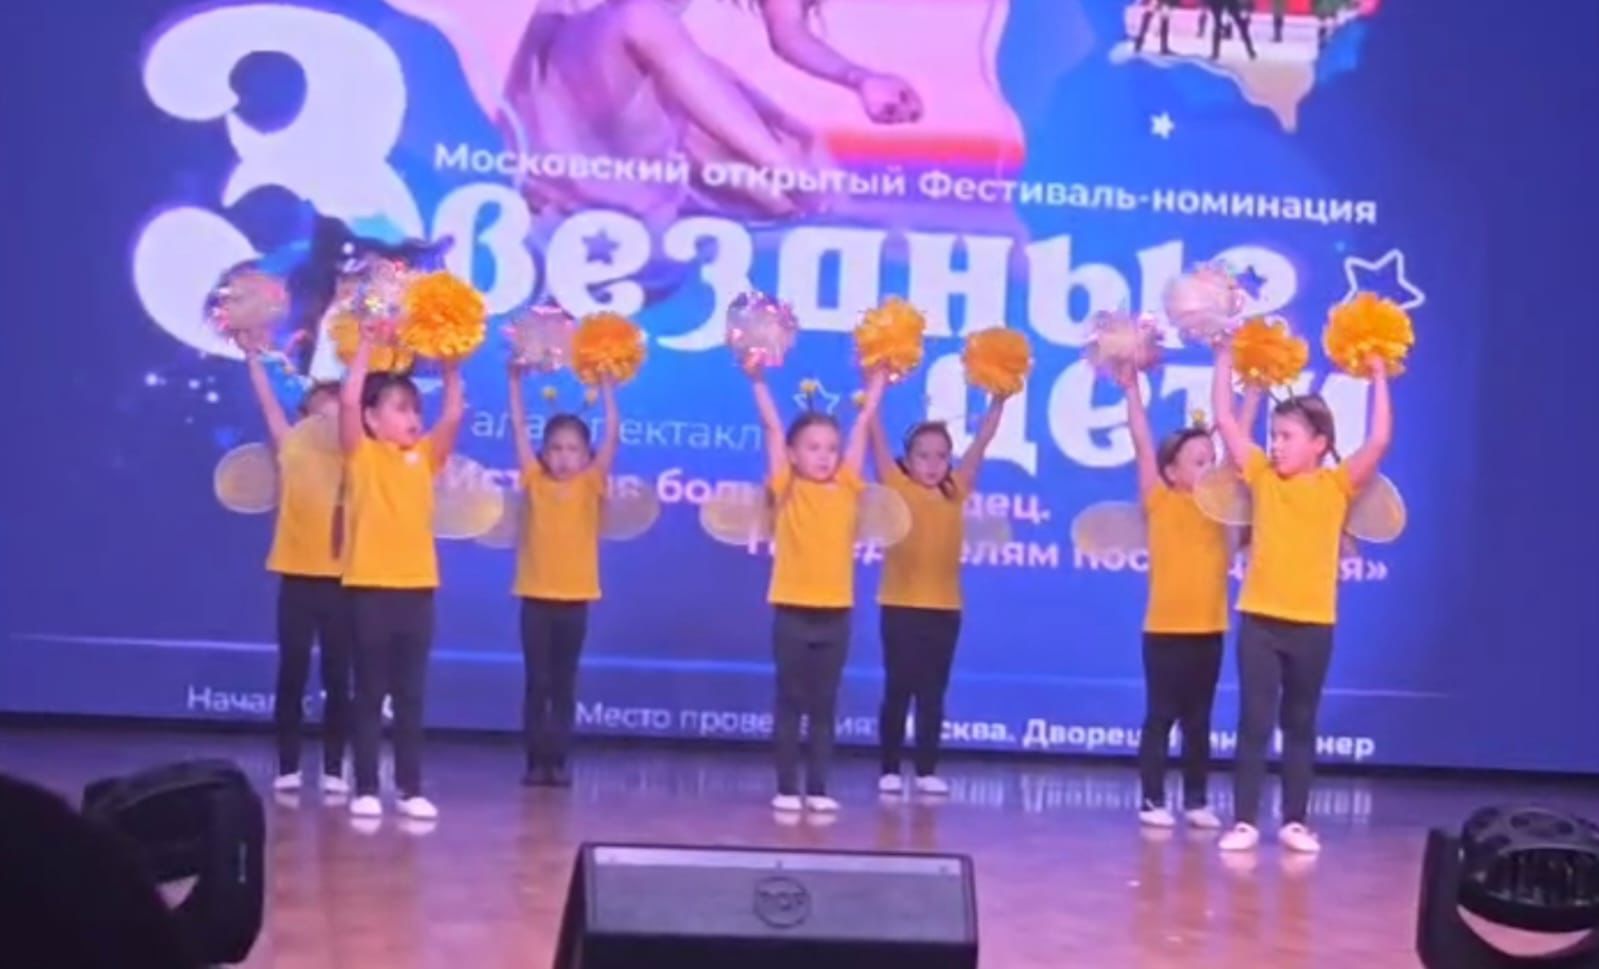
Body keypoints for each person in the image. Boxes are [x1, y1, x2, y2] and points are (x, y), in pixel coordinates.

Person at [1209, 344, 1393, 854]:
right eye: (1273, 436)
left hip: (1313, 624)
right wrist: (1224, 356)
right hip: (1260, 622)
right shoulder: (1262, 477)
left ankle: (1295, 822)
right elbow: (1224, 417)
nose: (1275, 445)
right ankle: (1244, 822)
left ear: (1319, 443)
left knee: (1300, 722)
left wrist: (1379, 373)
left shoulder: (1337, 485)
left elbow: (1379, 439)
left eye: (1286, 436)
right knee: (1254, 722)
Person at [1114, 367, 1259, 829]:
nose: (1208, 468)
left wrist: (1254, 392)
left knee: (1199, 720)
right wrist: (1131, 389)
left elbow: (1239, 441)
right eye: (1197, 462)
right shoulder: (1159, 500)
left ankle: (1196, 801)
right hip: (1164, 631)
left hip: (1209, 629)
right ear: (1171, 471)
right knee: (1161, 716)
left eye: (1210, 460)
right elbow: (1141, 441)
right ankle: (1153, 800)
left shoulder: (1222, 510)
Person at [338, 327, 465, 821]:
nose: (413, 418)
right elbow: (348, 401)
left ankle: (411, 789)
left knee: (411, 694)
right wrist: (368, 345)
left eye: (416, 409)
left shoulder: (424, 457)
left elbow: (452, 415)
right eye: (400, 408)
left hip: (417, 590)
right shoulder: (362, 454)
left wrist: (450, 367)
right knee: (370, 692)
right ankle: (366, 787)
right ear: (372, 419)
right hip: (369, 590)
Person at [749, 366, 888, 812]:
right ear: (792, 455)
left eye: (831, 448)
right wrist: (758, 381)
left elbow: (862, 425)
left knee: (825, 704)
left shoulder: (846, 486)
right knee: (791, 699)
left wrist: (877, 382)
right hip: (792, 610)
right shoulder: (786, 487)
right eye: (813, 448)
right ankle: (787, 788)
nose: (825, 457)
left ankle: (820, 788)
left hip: (835, 613)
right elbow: (773, 428)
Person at [868, 396, 1007, 796]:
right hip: (899, 607)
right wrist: (874, 387)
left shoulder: (956, 491)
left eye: (941, 456)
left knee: (932, 693)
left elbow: (983, 440)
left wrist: (999, 400)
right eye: (923, 456)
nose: (932, 464)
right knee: (898, 689)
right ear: (907, 459)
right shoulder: (895, 486)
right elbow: (874, 432)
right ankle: (890, 768)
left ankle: (926, 769)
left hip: (944, 610)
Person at [241, 339, 353, 797]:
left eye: (336, 410)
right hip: (296, 579)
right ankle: (287, 765)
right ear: (305, 416)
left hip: (342, 581)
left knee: (337, 678)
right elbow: (268, 401)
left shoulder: (355, 457)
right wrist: (252, 358)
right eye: (318, 410)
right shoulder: (291, 446)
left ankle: (334, 767)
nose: (327, 417)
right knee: (292, 672)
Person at [507, 369, 621, 787]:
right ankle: (535, 762)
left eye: (573, 449)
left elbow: (613, 433)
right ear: (543, 452)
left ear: (587, 455)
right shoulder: (533, 479)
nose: (563, 457)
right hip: (535, 598)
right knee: (537, 682)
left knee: (563, 683)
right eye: (555, 448)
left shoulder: (591, 482)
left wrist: (607, 387)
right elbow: (518, 425)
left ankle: (558, 761)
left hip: (575, 600)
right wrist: (515, 382)